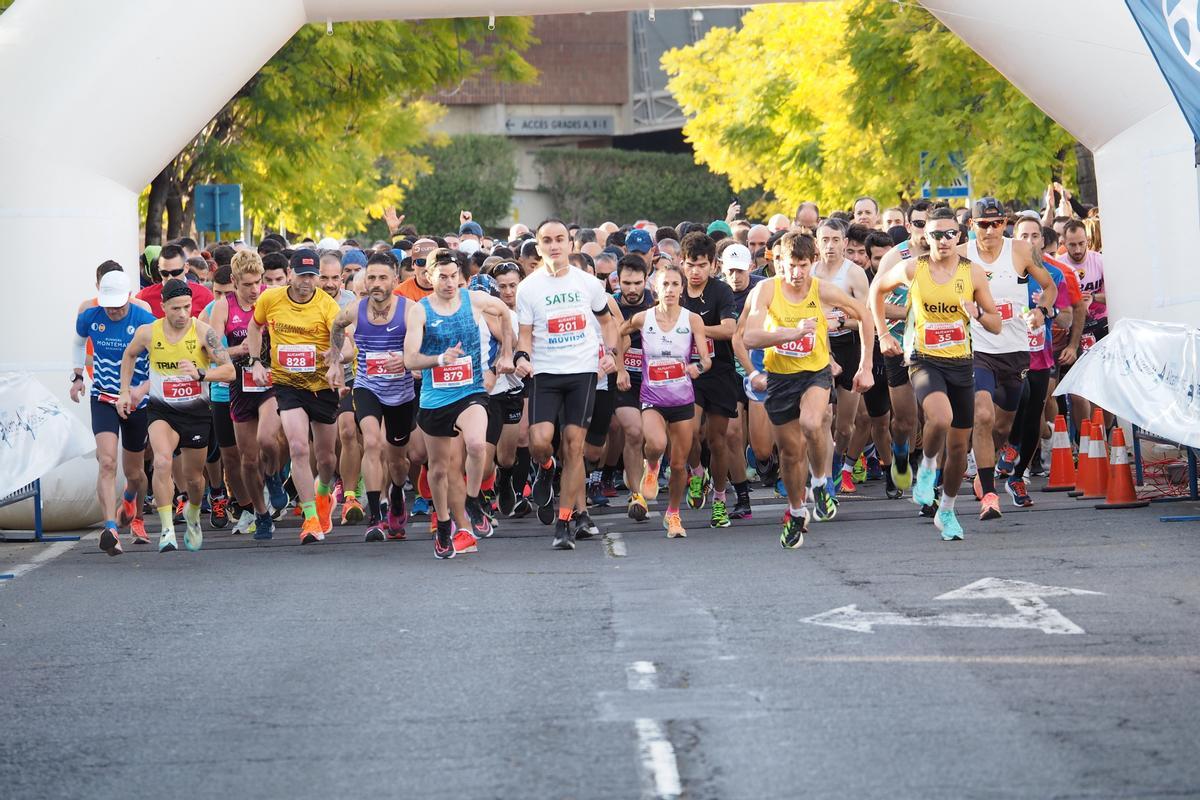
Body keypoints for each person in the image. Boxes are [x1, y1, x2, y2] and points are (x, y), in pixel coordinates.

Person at [871, 207, 1003, 541]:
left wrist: (977, 313)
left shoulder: (972, 273)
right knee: (939, 418)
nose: (942, 241)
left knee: (959, 447)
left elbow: (996, 324)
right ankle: (927, 466)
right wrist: (884, 334)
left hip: (961, 361)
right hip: (924, 359)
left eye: (949, 234)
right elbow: (877, 292)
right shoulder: (914, 268)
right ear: (924, 237)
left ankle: (947, 509)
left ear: (960, 236)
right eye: (935, 234)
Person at [742, 231, 875, 547]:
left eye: (803, 265)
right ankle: (796, 509)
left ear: (812, 262)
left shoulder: (821, 289)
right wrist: (790, 333)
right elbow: (750, 337)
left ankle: (819, 480)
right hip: (779, 377)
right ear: (779, 264)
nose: (797, 273)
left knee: (813, 423)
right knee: (790, 453)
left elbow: (865, 315)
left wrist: (866, 365)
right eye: (791, 265)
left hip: (814, 373)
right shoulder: (766, 291)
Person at [515, 219, 617, 551]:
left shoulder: (588, 283)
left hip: (582, 372)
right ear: (538, 246)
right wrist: (521, 357)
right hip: (545, 373)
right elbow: (526, 335)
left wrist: (610, 353)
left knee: (575, 445)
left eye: (560, 239)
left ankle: (563, 523)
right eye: (547, 240)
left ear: (570, 244)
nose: (555, 245)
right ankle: (546, 467)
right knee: (540, 442)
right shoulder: (528, 288)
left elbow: (607, 321)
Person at [404, 249, 514, 559]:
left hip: (471, 391)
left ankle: (472, 499)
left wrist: (506, 352)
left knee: (478, 445)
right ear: (429, 278)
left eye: (454, 276)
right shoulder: (420, 311)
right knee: (438, 471)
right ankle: (442, 527)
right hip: (435, 398)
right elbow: (410, 358)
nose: (450, 283)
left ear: (461, 278)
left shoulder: (474, 300)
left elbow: (505, 312)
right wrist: (439, 359)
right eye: (443, 277)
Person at [117, 279, 235, 552]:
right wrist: (125, 391)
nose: (182, 314)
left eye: (186, 307)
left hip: (195, 412)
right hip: (162, 411)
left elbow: (229, 371)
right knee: (161, 462)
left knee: (194, 478)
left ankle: (193, 511)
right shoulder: (149, 332)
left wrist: (201, 374)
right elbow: (129, 354)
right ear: (163, 308)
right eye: (175, 308)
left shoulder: (204, 333)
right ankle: (167, 529)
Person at [964, 197, 1057, 520]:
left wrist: (1040, 311)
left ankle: (985, 467)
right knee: (984, 415)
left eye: (997, 223)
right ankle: (989, 494)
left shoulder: (1019, 250)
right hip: (978, 350)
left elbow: (1049, 287)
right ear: (971, 226)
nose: (991, 231)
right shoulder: (962, 254)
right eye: (983, 225)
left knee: (1002, 427)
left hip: (1015, 351)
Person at [245, 248, 343, 544]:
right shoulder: (270, 299)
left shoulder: (327, 306)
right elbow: (254, 325)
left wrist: (335, 360)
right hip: (288, 386)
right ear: (290, 273)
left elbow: (346, 346)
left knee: (326, 459)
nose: (306, 282)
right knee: (299, 447)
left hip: (321, 387)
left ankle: (324, 494)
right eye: (301, 275)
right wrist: (255, 361)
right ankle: (311, 517)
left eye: (312, 276)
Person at [617, 264, 711, 538]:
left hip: (682, 398)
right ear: (655, 288)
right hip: (652, 397)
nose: (669, 290)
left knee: (680, 465)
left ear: (682, 289)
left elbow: (706, 359)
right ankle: (653, 465)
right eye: (664, 284)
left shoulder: (692, 320)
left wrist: (698, 368)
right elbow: (617, 333)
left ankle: (673, 515)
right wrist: (621, 367)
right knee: (656, 443)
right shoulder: (642, 318)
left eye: (674, 284)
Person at [329, 251, 416, 542]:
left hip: (402, 393)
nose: (376, 283)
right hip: (368, 387)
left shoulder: (410, 309)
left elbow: (421, 345)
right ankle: (376, 517)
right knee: (372, 442)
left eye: (382, 277)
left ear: (394, 279)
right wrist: (334, 362)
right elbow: (337, 325)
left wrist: (405, 358)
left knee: (399, 461)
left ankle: (396, 492)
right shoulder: (356, 309)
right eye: (371, 278)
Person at [73, 267, 156, 554]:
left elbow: (159, 365)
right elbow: (77, 341)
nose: (114, 312)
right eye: (109, 306)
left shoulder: (145, 320)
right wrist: (77, 376)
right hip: (104, 397)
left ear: (129, 298)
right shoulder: (90, 316)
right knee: (107, 462)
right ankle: (110, 528)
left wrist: (140, 391)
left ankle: (133, 504)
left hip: (136, 402)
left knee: (135, 472)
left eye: (119, 307)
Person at [208, 249, 282, 540]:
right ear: (235, 282)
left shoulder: (272, 298)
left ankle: (275, 477)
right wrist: (240, 351)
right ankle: (261, 514)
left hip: (271, 381)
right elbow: (213, 351)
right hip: (239, 385)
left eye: (258, 282)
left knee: (267, 439)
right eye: (248, 284)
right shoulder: (223, 307)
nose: (254, 290)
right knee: (247, 460)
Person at [677, 232, 741, 529]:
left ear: (713, 265)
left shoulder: (722, 292)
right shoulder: (674, 292)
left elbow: (729, 330)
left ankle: (718, 499)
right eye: (690, 264)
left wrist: (696, 328)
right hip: (686, 372)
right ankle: (696, 472)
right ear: (681, 263)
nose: (695, 271)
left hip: (719, 371)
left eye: (702, 265)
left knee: (718, 441)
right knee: (688, 433)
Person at [319, 250, 365, 524]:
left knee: (348, 432)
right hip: (313, 380)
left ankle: (350, 496)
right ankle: (326, 488)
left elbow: (354, 347)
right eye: (324, 277)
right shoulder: (302, 303)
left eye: (336, 277)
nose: (330, 283)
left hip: (348, 377)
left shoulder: (351, 303)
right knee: (324, 448)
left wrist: (339, 356)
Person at [613, 255, 656, 522]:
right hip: (625, 379)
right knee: (633, 431)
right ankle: (636, 494)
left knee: (656, 440)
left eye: (637, 283)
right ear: (617, 280)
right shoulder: (609, 305)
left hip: (656, 380)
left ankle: (651, 467)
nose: (631, 289)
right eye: (626, 283)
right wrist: (619, 368)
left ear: (646, 281)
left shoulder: (658, 301)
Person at [136, 244, 214, 318]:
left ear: (186, 267)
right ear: (159, 270)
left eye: (175, 272)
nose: (170, 278)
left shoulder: (205, 296)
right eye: (165, 273)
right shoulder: (144, 297)